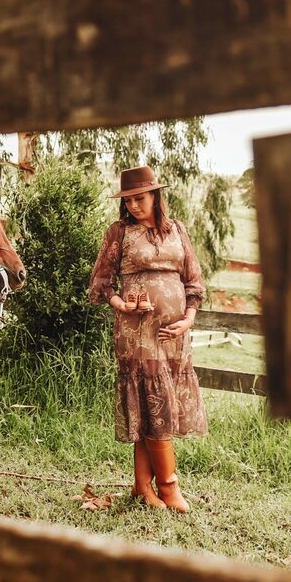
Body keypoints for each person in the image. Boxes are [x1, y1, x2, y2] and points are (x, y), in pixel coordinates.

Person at [88, 165, 207, 512]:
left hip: (174, 335)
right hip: (137, 332)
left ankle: (143, 485)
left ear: (156, 196)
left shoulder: (177, 230)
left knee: (149, 407)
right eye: (128, 200)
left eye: (140, 198)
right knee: (151, 399)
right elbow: (101, 284)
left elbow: (194, 282)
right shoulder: (119, 232)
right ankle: (169, 486)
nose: (134, 206)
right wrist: (121, 304)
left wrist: (188, 319)